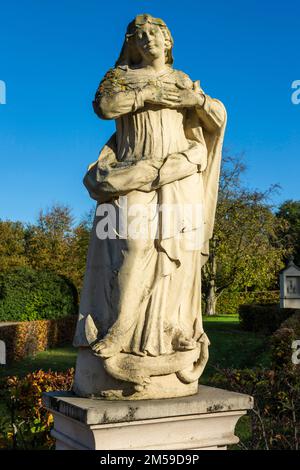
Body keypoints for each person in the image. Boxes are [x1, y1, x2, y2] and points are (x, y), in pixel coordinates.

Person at [73, 14, 226, 394]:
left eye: (154, 33)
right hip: (132, 171)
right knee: (134, 244)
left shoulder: (183, 80)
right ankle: (120, 331)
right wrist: (146, 95)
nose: (146, 40)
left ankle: (166, 334)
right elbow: (105, 107)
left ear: (168, 40)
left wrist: (199, 100)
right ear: (130, 44)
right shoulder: (119, 76)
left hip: (178, 174)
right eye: (138, 36)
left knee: (177, 256)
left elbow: (218, 117)